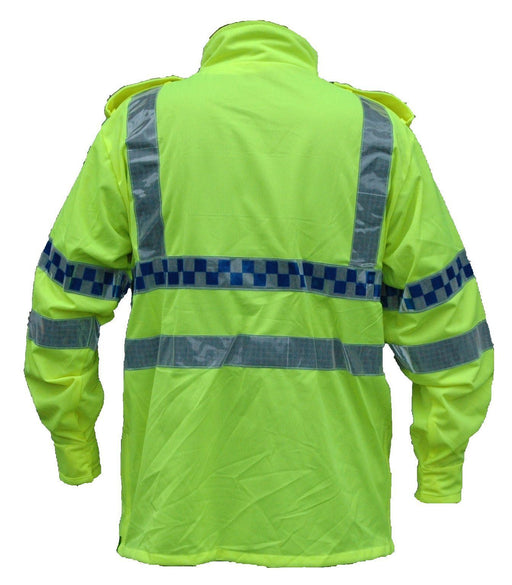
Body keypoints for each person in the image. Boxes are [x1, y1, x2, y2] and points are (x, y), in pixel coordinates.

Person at [24, 19, 493, 567]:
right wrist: (440, 465)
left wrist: (75, 444)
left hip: (175, 502)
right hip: (334, 509)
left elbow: (64, 305)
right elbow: (442, 315)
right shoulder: (378, 135)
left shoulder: (138, 127)